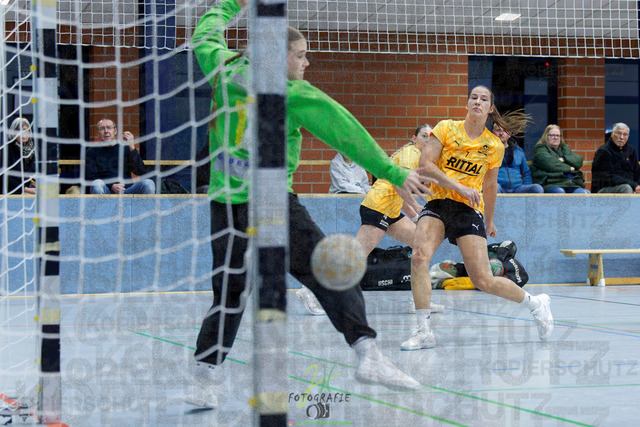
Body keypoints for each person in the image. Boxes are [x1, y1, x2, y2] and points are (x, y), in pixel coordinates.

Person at [189, 0, 433, 408]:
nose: (307, 62)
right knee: (332, 273)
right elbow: (347, 133)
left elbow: (204, 34)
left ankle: (204, 377)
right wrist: (393, 173)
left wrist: (233, 3)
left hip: (225, 207)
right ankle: (368, 354)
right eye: (300, 55)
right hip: (272, 205)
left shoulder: (223, 67)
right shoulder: (290, 92)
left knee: (230, 294)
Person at [402, 85, 554, 351]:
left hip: (469, 210)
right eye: (474, 97)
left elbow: (490, 185)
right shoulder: (446, 128)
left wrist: (490, 221)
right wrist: (459, 187)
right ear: (467, 103)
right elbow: (425, 166)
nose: (478, 101)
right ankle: (424, 332)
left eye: (484, 99)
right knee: (418, 256)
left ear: (490, 108)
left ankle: (536, 304)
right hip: (438, 203)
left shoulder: (493, 145)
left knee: (483, 280)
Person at [85, 118, 155, 195]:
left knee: (148, 183)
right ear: (98, 133)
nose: (106, 131)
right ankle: (100, 204)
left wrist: (132, 147)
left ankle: (148, 204)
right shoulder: (91, 152)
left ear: (115, 131)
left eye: (109, 127)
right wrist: (111, 186)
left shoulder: (125, 148)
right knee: (96, 183)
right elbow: (91, 177)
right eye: (102, 128)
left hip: (127, 191)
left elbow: (140, 171)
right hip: (105, 191)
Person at [529, 125, 590, 194]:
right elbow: (550, 164)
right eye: (552, 135)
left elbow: (578, 160)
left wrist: (564, 159)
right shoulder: (539, 149)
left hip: (570, 183)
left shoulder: (564, 148)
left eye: (558, 135)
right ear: (546, 136)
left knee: (585, 193)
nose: (555, 138)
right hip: (550, 184)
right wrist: (569, 168)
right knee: (560, 192)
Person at [492, 123, 543, 194]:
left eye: (504, 131)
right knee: (494, 187)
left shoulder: (518, 151)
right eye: (498, 130)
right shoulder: (488, 151)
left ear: (509, 134)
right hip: (499, 188)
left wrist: (527, 189)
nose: (501, 133)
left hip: (518, 189)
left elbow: (525, 172)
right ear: (493, 133)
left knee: (537, 188)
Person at [591, 122, 640, 194]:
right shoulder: (603, 151)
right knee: (626, 188)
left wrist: (638, 185)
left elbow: (637, 171)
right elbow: (607, 177)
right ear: (612, 134)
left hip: (630, 186)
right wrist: (633, 185)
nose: (621, 137)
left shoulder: (631, 150)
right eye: (619, 134)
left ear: (628, 136)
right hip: (605, 188)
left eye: (625, 134)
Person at [1, 118, 36, 195]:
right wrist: (25, 189)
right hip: (12, 192)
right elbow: (5, 177)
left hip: (32, 190)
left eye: (26, 130)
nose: (24, 134)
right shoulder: (6, 149)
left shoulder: (34, 149)